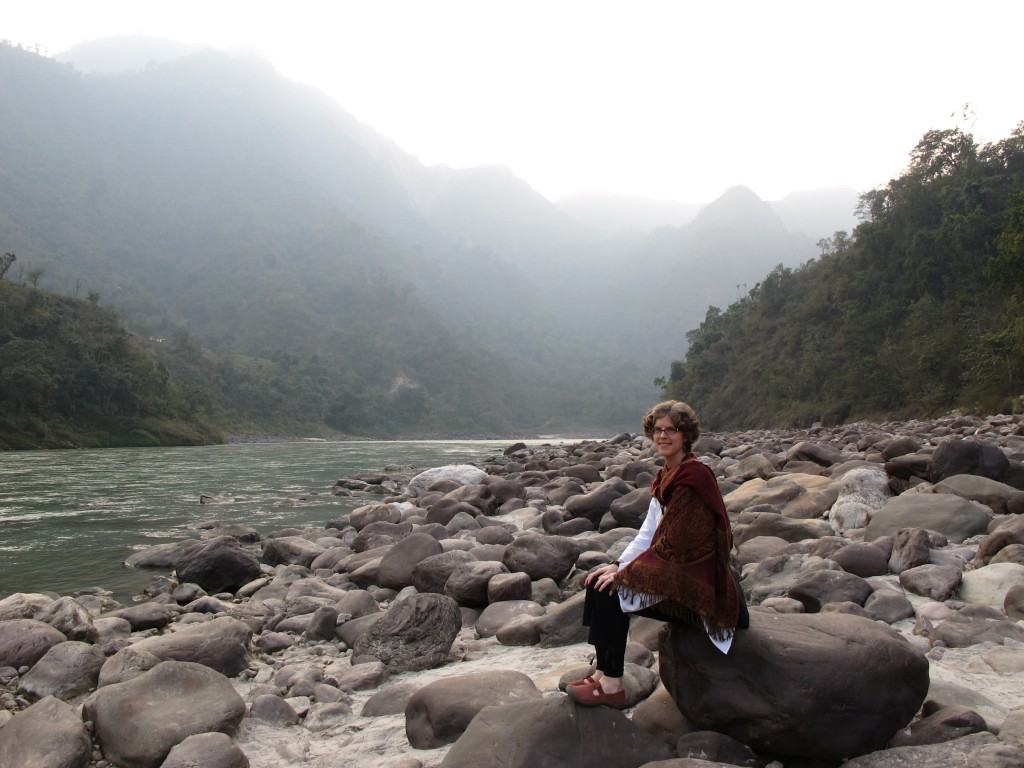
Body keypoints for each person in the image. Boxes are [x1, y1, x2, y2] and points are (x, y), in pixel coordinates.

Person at [567, 400, 746, 708]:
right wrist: (617, 564)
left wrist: (624, 575)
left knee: (612, 592)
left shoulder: (693, 478)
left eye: (671, 430)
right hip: (678, 574)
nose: (663, 436)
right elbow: (648, 534)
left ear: (685, 435)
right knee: (597, 583)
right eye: (658, 430)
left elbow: (673, 546)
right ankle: (602, 671)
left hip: (701, 585)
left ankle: (613, 686)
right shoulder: (667, 476)